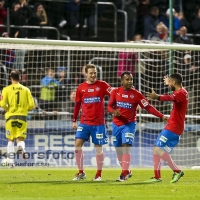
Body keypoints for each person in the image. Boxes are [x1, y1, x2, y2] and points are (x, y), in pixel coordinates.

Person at [107, 71, 168, 181]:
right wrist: (113, 111)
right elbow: (109, 106)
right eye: (127, 79)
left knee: (126, 147)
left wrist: (161, 116)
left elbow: (148, 107)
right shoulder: (115, 92)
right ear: (122, 81)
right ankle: (127, 170)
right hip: (116, 124)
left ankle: (123, 174)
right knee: (118, 150)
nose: (130, 81)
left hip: (129, 124)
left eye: (131, 79)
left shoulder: (137, 94)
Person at [72, 64, 112, 181]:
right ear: (86, 74)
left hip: (98, 123)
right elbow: (77, 105)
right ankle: (81, 172)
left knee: (98, 148)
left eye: (95, 72)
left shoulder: (103, 85)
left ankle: (98, 174)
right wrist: (74, 120)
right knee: (77, 145)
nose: (93, 75)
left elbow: (114, 95)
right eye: (91, 73)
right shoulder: (81, 88)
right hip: (84, 122)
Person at [145, 73, 188, 183]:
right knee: (157, 149)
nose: (169, 85)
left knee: (158, 149)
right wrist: (169, 83)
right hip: (174, 126)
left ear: (174, 82)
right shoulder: (180, 92)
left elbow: (170, 97)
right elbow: (173, 95)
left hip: (173, 127)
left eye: (170, 82)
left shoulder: (181, 93)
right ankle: (157, 177)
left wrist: (157, 97)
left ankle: (177, 171)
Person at [0, 70, 35, 167]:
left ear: (10, 78)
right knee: (20, 139)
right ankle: (21, 146)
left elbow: (2, 103)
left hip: (10, 117)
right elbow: (32, 105)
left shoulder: (6, 89)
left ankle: (11, 162)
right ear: (20, 78)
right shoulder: (26, 89)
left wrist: (8, 109)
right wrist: (24, 109)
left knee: (10, 140)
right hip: (22, 117)